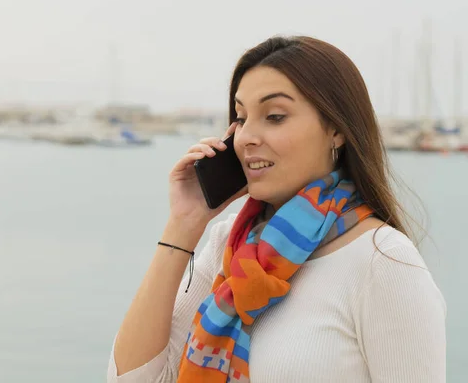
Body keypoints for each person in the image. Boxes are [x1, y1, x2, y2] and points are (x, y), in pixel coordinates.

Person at [107, 36, 446, 382]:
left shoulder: (384, 262)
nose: (246, 137)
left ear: (336, 130)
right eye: (240, 118)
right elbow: (133, 379)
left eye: (274, 116)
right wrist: (184, 223)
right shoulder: (230, 247)